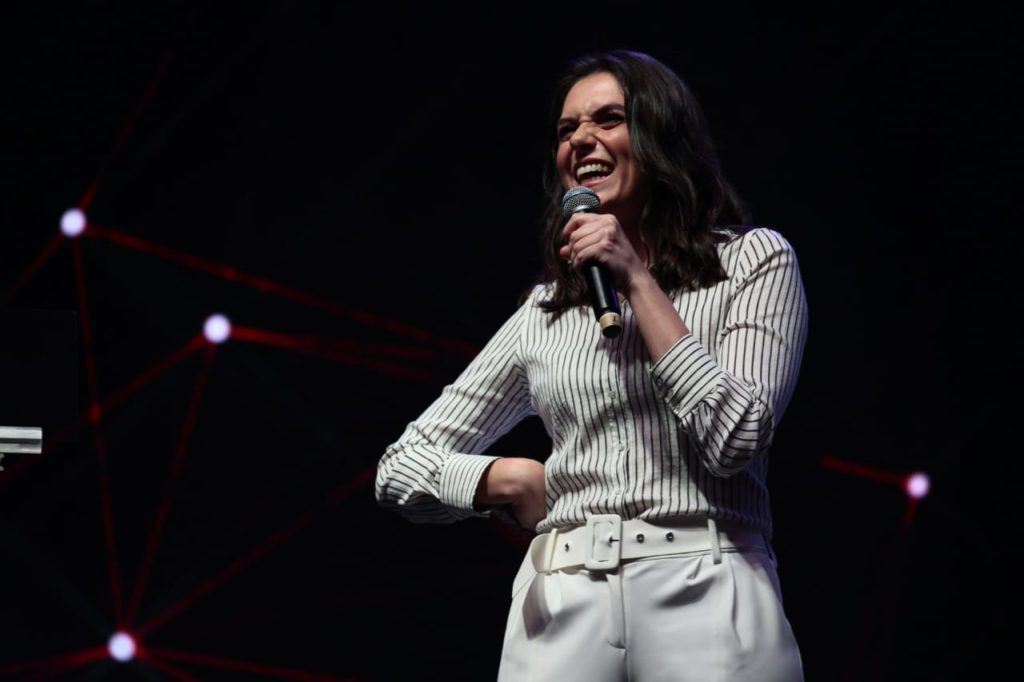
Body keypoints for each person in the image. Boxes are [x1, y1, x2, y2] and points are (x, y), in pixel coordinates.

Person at [375, 49, 808, 681]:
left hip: (710, 582)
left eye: (608, 119)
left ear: (661, 136)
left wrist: (634, 278)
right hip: (562, 600)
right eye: (566, 130)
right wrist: (507, 477)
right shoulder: (547, 310)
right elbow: (401, 466)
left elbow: (734, 438)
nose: (581, 139)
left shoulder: (751, 262)